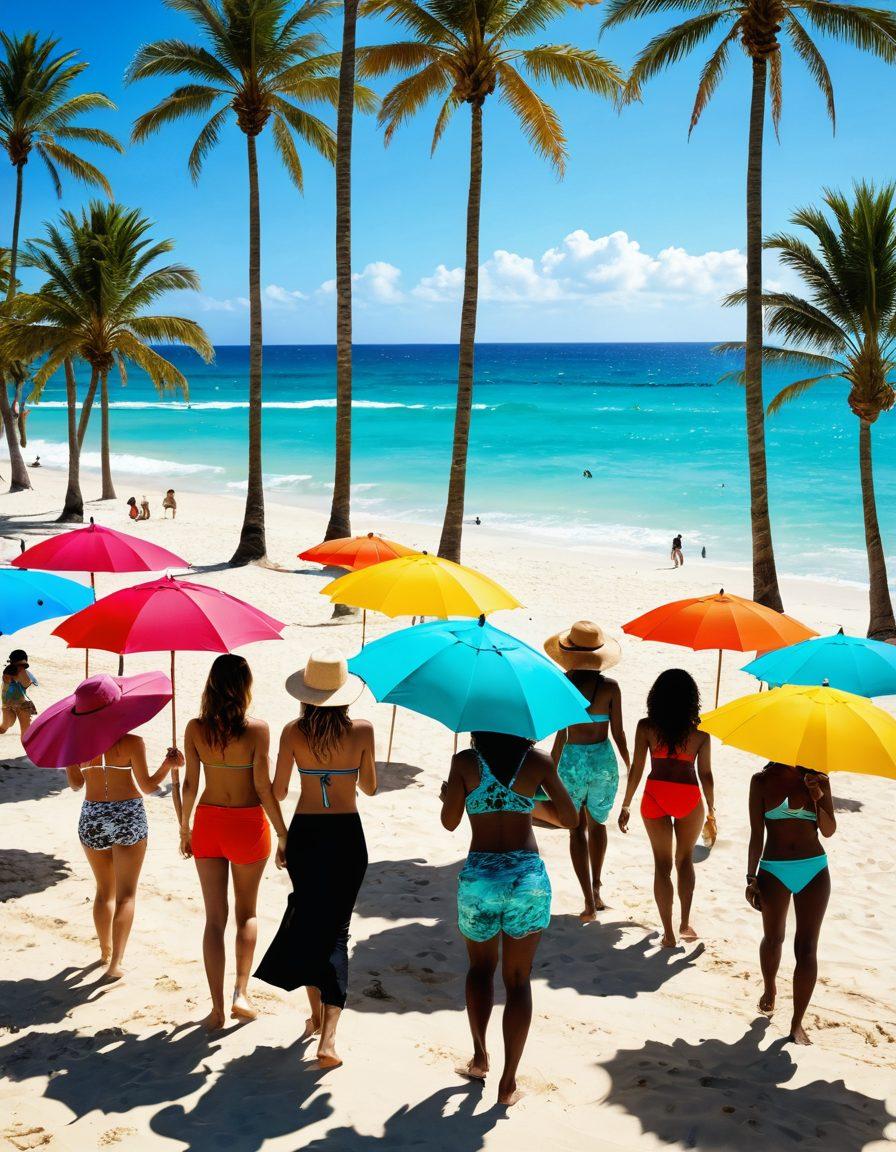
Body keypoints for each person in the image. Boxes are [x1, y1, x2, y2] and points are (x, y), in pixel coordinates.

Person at [440, 730, 577, 1106]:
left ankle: (480, 1056)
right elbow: (570, 818)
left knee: (480, 970)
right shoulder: (537, 763)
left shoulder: (466, 763)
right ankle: (508, 1083)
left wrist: (453, 797)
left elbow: (449, 821)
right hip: (526, 879)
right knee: (518, 981)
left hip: (481, 878)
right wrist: (524, 801)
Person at [255, 650, 375, 1069]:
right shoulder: (362, 730)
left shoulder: (292, 732)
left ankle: (315, 1015)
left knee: (310, 925)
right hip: (347, 837)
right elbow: (373, 788)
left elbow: (277, 791)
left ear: (305, 693)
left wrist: (282, 834)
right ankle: (328, 1036)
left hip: (306, 835)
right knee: (337, 932)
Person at [24, 673, 182, 979]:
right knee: (126, 895)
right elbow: (148, 786)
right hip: (128, 814)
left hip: (93, 815)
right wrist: (169, 765)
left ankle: (104, 951)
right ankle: (115, 964)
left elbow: (74, 784)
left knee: (103, 892)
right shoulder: (133, 742)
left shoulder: (78, 746)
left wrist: (73, 757)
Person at [180, 655, 287, 1031]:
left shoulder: (195, 728)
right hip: (246, 823)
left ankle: (216, 1009)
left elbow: (190, 784)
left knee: (214, 920)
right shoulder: (257, 730)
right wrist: (282, 832)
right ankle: (241, 992)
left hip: (208, 821)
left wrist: (184, 826)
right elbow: (262, 786)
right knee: (247, 914)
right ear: (245, 687)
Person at [535, 621, 630, 919]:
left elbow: (560, 733)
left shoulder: (563, 685)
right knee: (598, 824)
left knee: (576, 829)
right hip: (603, 761)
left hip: (573, 761)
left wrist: (548, 767)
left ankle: (588, 900)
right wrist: (630, 763)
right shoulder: (610, 687)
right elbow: (619, 733)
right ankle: (598, 887)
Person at [618, 669, 714, 947]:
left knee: (661, 865)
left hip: (655, 793)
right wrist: (711, 809)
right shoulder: (699, 736)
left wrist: (626, 803)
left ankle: (669, 935)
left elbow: (637, 767)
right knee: (683, 860)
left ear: (656, 698)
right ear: (691, 701)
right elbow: (706, 775)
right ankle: (684, 923)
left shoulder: (646, 727)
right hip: (688, 796)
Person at [746, 761, 836, 1045]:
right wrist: (751, 877)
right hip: (774, 869)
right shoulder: (761, 781)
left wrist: (818, 797)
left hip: (814, 869)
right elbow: (756, 834)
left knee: (807, 948)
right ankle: (770, 988)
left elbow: (829, 830)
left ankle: (797, 1022)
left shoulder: (819, 780)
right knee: (773, 939)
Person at [1, 649, 37, 739]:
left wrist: (21, 672)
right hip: (8, 705)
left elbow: (25, 683)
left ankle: (29, 750)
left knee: (25, 730)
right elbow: (8, 680)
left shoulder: (23, 672)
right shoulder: (9, 671)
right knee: (7, 725)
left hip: (21, 704)